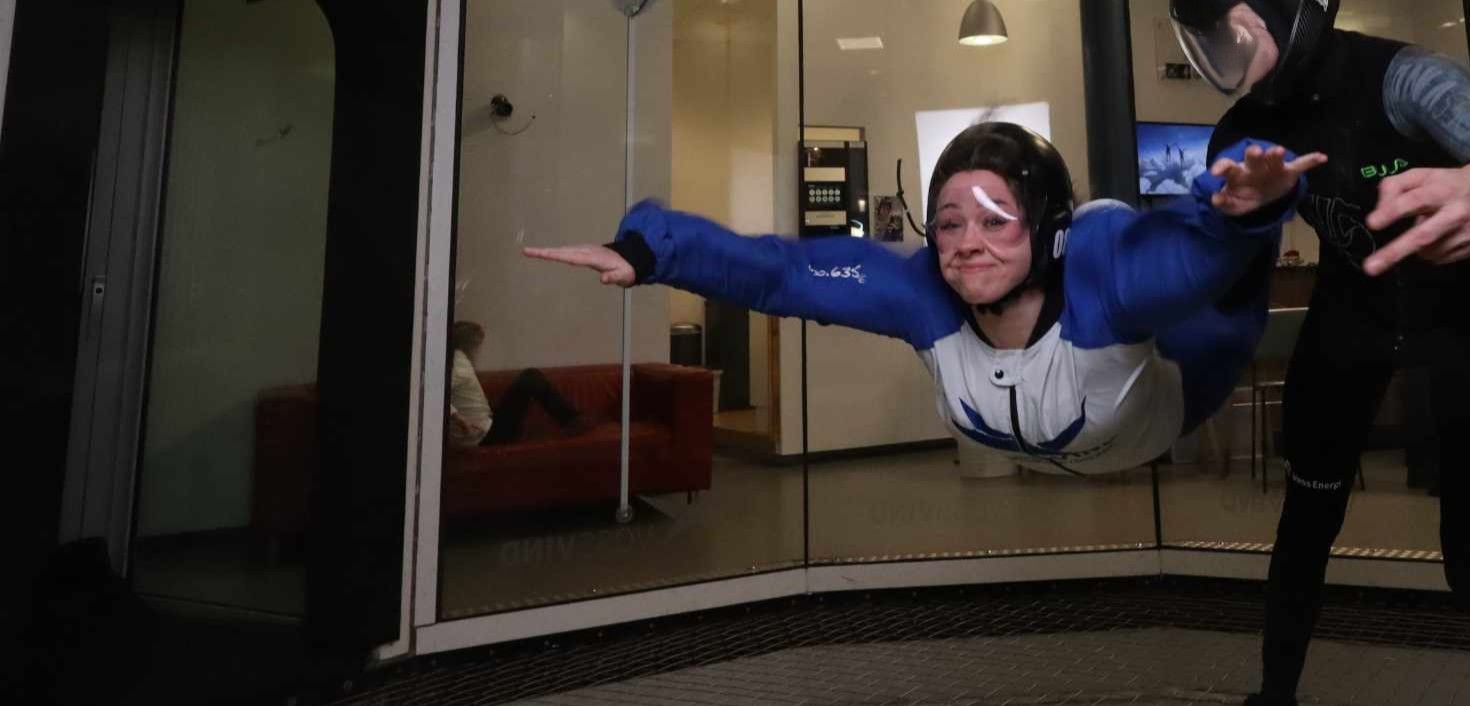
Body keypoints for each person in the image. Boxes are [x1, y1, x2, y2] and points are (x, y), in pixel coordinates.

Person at [1169, 0, 1470, 706]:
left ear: (1298, 7)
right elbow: (1225, 202)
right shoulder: (1242, 129)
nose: (1230, 58)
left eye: (1241, 33)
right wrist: (1244, 208)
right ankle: (1273, 697)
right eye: (1215, 41)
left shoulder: (1403, 75)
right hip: (1350, 312)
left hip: (1461, 314)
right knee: (1306, 527)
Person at [526, 122, 1326, 475]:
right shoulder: (924, 293)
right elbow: (780, 272)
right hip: (1083, 403)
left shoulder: (1103, 279)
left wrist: (1244, 215)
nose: (965, 243)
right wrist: (648, 250)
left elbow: (1190, 268)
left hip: (1179, 377)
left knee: (1172, 259)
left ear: (1045, 231)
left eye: (994, 221)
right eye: (947, 223)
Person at [446, 320, 591, 447]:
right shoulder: (459, 365)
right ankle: (571, 421)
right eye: (477, 345)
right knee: (531, 377)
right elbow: (436, 395)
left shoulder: (457, 360)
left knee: (528, 378)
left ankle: (572, 420)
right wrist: (458, 418)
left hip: (485, 427)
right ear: (469, 344)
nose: (478, 350)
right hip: (486, 436)